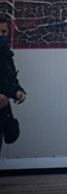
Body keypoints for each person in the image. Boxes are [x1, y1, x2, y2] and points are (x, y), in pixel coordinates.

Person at [1, 15, 27, 153]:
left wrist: (18, 92)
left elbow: (10, 79)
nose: (2, 36)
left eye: (4, 32)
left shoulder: (6, 54)